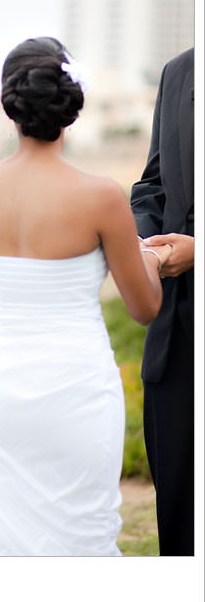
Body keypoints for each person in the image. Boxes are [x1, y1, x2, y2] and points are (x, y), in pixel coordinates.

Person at [0, 37, 167, 555]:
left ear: (9, 104)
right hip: (76, 389)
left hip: (6, 386)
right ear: (71, 102)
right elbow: (144, 307)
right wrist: (150, 257)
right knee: (77, 536)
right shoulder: (102, 195)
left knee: (4, 535)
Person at [130, 47, 194, 556]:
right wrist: (145, 249)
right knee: (177, 517)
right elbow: (151, 187)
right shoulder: (179, 71)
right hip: (175, 340)